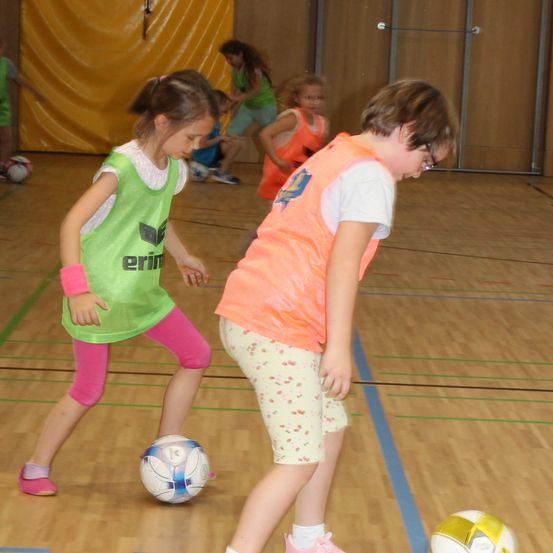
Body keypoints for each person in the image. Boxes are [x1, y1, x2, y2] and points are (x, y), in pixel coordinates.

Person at [216, 79, 458, 553]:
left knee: (330, 426)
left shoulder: (337, 152)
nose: (421, 172)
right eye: (426, 160)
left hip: (258, 309)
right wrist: (339, 348)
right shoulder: (372, 177)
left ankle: (307, 540)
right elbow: (343, 263)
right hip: (278, 322)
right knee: (298, 460)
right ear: (408, 130)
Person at [18, 69, 217, 496]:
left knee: (197, 354)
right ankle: (35, 467)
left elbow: (156, 221)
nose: (196, 148)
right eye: (192, 137)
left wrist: (182, 256)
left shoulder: (173, 169)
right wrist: (77, 290)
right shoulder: (121, 167)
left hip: (144, 294)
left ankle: (166, 451)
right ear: (164, 121)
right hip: (100, 297)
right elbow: (71, 223)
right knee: (88, 389)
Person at [257, 74, 328, 201]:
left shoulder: (322, 124)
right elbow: (264, 134)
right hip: (279, 178)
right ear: (297, 98)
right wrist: (277, 161)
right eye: (309, 97)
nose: (314, 102)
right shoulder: (293, 118)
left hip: (300, 181)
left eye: (318, 98)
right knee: (277, 218)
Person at [218, 39, 277, 184]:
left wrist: (238, 98)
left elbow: (255, 90)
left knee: (271, 139)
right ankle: (222, 170)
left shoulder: (254, 68)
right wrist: (228, 105)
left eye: (231, 58)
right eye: (226, 58)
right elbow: (238, 90)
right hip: (249, 107)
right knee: (231, 134)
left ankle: (275, 171)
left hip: (265, 107)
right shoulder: (235, 70)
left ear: (240, 55)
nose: (228, 61)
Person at [0, 36, 45, 177]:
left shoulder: (7, 64)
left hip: (2, 109)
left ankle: (2, 166)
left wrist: (36, 92)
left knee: (6, 139)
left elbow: (21, 80)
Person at [190, 89, 241, 184]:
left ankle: (220, 169)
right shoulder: (207, 121)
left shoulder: (214, 118)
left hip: (210, 153)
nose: (227, 108)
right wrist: (220, 138)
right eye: (224, 104)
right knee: (236, 143)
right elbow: (201, 144)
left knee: (234, 141)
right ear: (216, 105)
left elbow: (228, 109)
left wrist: (235, 101)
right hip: (204, 156)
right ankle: (221, 172)